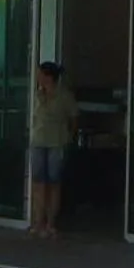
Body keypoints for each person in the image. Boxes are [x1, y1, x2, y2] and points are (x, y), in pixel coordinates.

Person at [29, 62, 79, 238]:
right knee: (38, 184)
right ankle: (38, 222)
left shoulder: (64, 96)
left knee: (53, 183)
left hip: (56, 142)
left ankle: (51, 223)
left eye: (41, 74)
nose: (38, 78)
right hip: (38, 141)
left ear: (49, 77)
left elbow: (74, 118)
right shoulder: (37, 94)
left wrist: (69, 137)